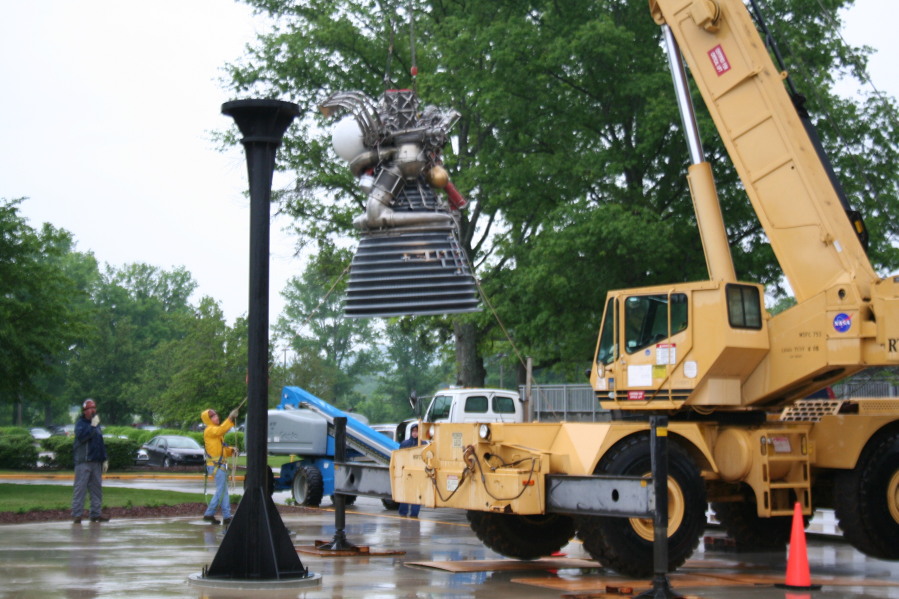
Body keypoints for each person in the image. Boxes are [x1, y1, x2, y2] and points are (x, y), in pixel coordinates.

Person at [72, 399, 109, 524]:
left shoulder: (96, 424)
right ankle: (77, 515)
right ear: (84, 411)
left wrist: (104, 459)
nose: (92, 411)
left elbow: (100, 442)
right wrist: (92, 426)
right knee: (80, 489)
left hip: (96, 462)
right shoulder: (80, 424)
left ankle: (95, 514)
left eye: (94, 408)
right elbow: (82, 437)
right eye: (89, 409)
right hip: (84, 462)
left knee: (96, 490)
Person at [201, 407, 239, 525]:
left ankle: (227, 516)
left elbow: (221, 450)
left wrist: (231, 450)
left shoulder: (216, 433)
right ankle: (209, 513)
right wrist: (230, 418)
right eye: (212, 416)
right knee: (221, 491)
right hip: (216, 465)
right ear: (208, 420)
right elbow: (221, 430)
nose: (216, 417)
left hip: (218, 464)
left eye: (216, 415)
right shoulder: (210, 430)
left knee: (223, 491)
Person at [397, 424, 421, 518]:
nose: (415, 433)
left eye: (417, 431)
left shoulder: (423, 444)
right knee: (405, 493)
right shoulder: (405, 444)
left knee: (417, 494)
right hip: (406, 472)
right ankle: (403, 512)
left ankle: (414, 513)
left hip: (419, 474)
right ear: (411, 432)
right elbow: (400, 457)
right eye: (414, 431)